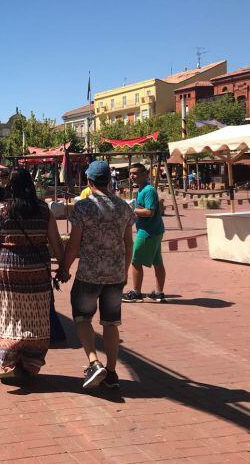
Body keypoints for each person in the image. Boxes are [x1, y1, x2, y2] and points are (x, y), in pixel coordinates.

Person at [0, 169, 67, 381]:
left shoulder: (1, 210)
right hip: (37, 270)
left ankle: (8, 362)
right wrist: (63, 267)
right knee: (34, 317)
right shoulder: (43, 210)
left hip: (6, 270)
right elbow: (56, 243)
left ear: (10, 186)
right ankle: (30, 362)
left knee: (6, 315)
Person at [62, 161, 134, 389]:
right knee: (111, 323)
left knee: (83, 318)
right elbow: (128, 242)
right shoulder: (124, 207)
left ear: (89, 181)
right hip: (114, 274)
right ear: (109, 180)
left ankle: (94, 363)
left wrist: (64, 268)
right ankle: (111, 372)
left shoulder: (83, 207)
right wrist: (124, 271)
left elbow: (73, 245)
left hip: (89, 273)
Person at [123, 163, 167, 303]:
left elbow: (150, 211)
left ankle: (136, 293)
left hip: (148, 232)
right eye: (130, 173)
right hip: (154, 230)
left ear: (144, 174)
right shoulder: (142, 189)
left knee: (135, 260)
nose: (132, 176)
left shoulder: (148, 190)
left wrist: (132, 210)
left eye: (135, 173)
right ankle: (159, 293)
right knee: (157, 261)